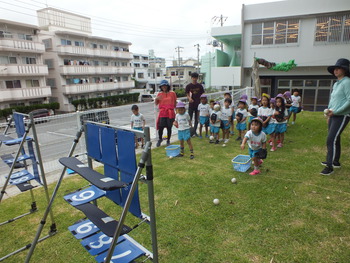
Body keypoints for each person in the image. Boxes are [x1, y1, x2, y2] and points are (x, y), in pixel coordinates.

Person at [321, 58, 350, 175]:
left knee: (331, 139)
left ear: (344, 70)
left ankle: (329, 166)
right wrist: (328, 113)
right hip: (333, 115)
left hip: (342, 115)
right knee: (335, 138)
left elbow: (349, 100)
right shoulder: (337, 83)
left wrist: (337, 112)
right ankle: (335, 161)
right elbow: (333, 100)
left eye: (338, 68)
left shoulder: (347, 82)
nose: (336, 70)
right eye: (335, 69)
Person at [155, 79, 177, 147]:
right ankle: (160, 139)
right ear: (161, 87)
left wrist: (176, 111)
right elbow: (156, 103)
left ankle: (168, 140)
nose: (164, 87)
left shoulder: (172, 93)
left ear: (167, 86)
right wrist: (156, 99)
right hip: (163, 112)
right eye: (162, 86)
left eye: (165, 86)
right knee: (160, 127)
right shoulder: (159, 94)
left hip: (170, 112)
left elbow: (175, 102)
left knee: (169, 127)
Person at [185, 72, 205, 136]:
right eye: (193, 78)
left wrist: (202, 101)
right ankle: (190, 131)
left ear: (197, 78)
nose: (194, 79)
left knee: (197, 118)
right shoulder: (188, 86)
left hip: (198, 104)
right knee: (189, 118)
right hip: (191, 104)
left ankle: (195, 131)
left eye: (196, 78)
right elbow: (187, 94)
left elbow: (202, 94)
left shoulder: (200, 86)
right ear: (191, 78)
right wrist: (189, 98)